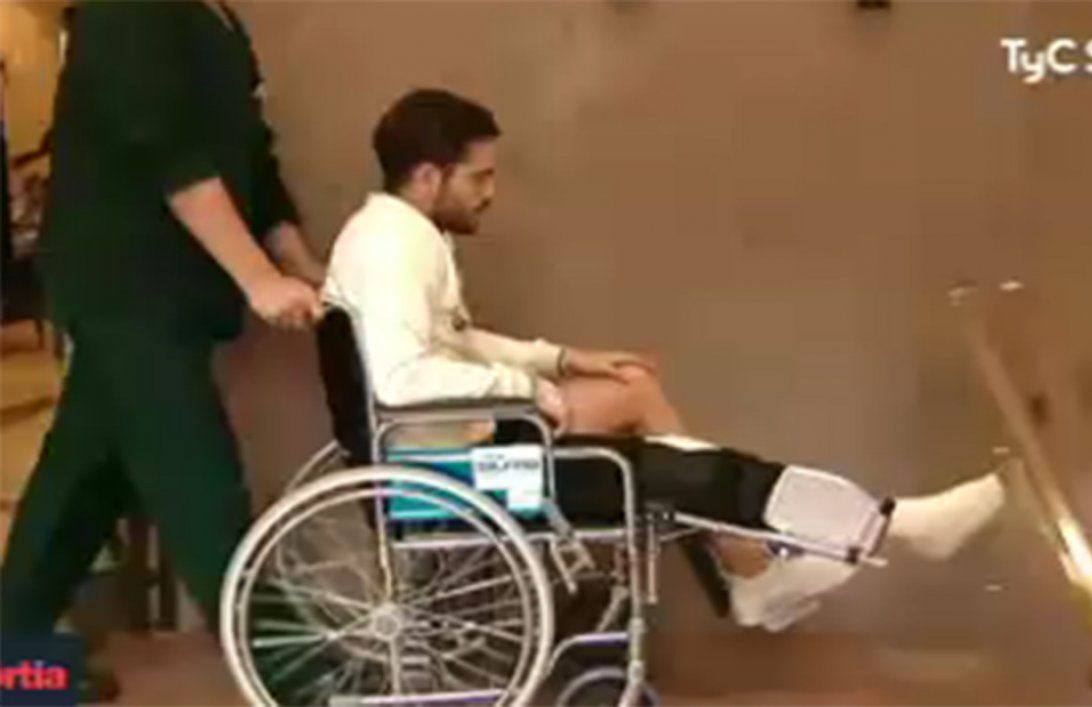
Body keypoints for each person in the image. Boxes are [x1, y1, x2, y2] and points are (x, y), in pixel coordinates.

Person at [323, 88, 1006, 629]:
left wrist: (565, 361)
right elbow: (402, 378)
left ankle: (753, 574)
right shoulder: (394, 247)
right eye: (479, 177)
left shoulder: (401, 233)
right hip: (451, 469)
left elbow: (458, 342)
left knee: (633, 389)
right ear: (428, 175)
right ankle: (889, 526)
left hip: (459, 440)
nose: (490, 193)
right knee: (685, 472)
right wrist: (528, 390)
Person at [0, 1, 324, 699]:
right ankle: (306, 685)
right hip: (125, 284)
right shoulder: (127, 10)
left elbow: (251, 157)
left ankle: (13, 668)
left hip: (168, 291)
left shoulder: (218, 17)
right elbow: (167, 152)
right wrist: (257, 278)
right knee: (200, 486)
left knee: (83, 482)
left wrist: (299, 263)